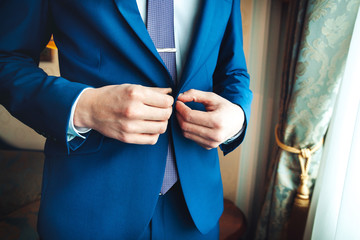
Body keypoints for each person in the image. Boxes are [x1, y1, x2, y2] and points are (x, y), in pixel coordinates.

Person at [0, 0, 253, 239]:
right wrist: (85, 108)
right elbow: (7, 59)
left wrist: (237, 117)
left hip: (196, 212)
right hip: (90, 209)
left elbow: (233, 71)